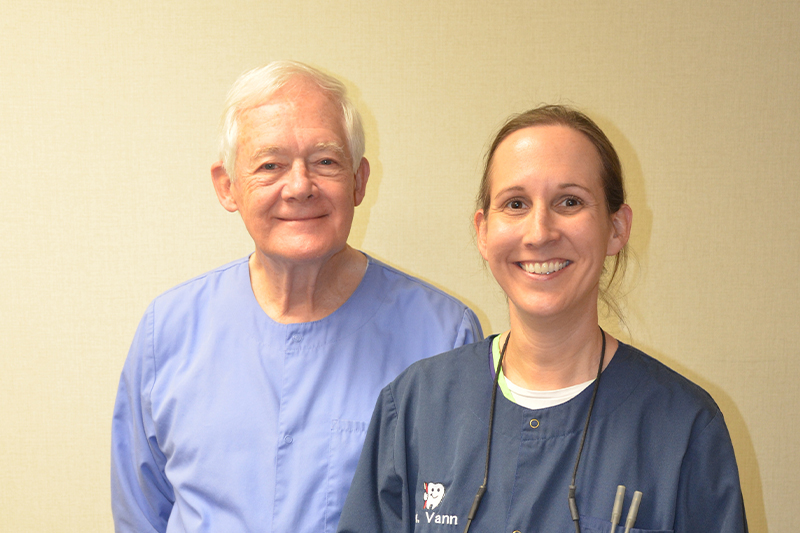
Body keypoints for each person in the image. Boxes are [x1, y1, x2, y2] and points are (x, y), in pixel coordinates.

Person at [110, 61, 483, 532]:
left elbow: (457, 514)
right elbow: (141, 516)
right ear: (227, 186)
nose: (300, 186)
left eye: (325, 161)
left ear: (358, 181)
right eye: (271, 165)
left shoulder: (444, 337)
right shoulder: (166, 331)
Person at [338, 105, 747, 533]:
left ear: (616, 227)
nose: (539, 233)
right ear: (483, 231)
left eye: (570, 202)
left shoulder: (684, 427)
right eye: (515, 204)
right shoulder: (413, 406)